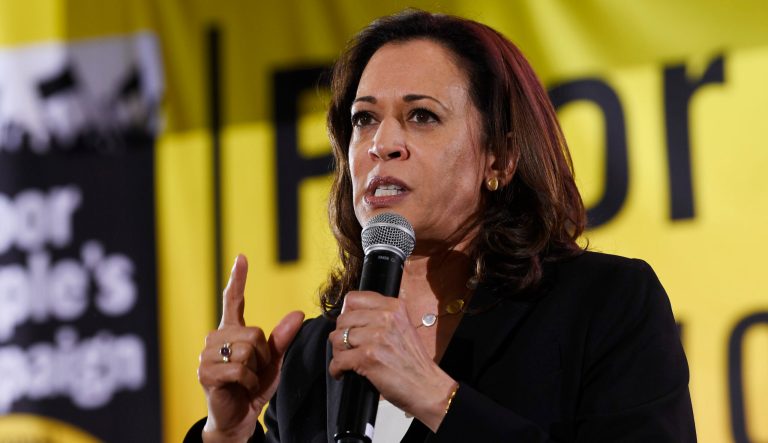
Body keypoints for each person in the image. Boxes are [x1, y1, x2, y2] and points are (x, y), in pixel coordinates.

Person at [186, 9, 696, 442]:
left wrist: (434, 395)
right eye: (364, 119)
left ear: (500, 157)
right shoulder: (309, 355)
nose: (381, 143)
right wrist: (227, 433)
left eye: (422, 116)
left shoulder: (604, 304)